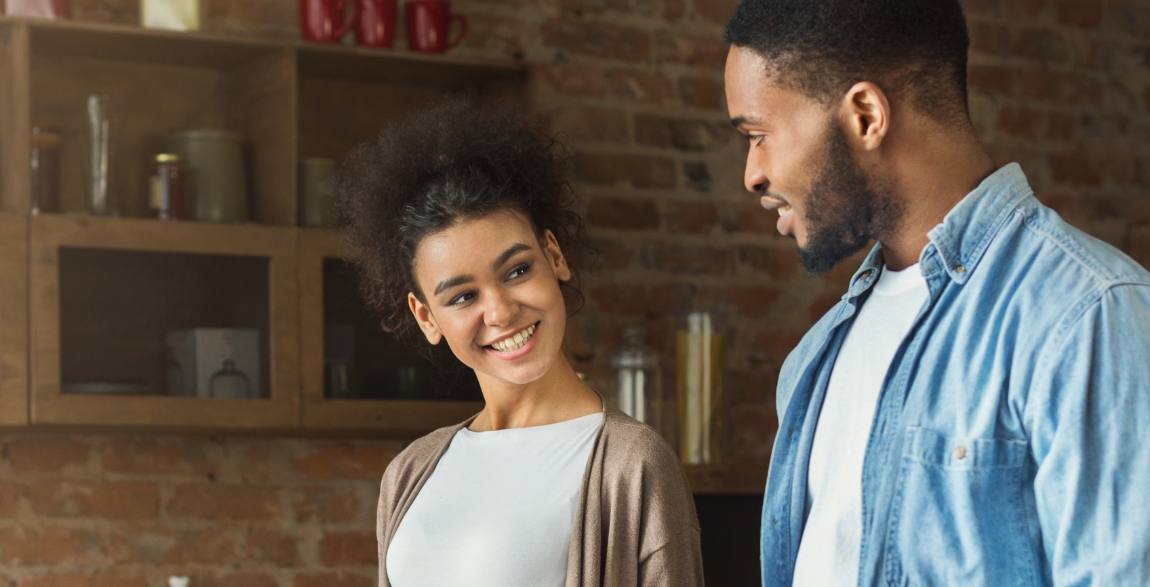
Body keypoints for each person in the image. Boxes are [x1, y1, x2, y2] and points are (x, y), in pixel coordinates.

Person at [722, 0, 1150, 585]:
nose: (752, 174)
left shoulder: (1089, 316)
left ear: (867, 115)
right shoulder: (813, 361)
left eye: (759, 135)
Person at [331, 99, 704, 587]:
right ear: (426, 317)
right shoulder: (410, 472)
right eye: (463, 296)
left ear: (554, 256)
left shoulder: (632, 464)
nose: (501, 311)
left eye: (517, 271)